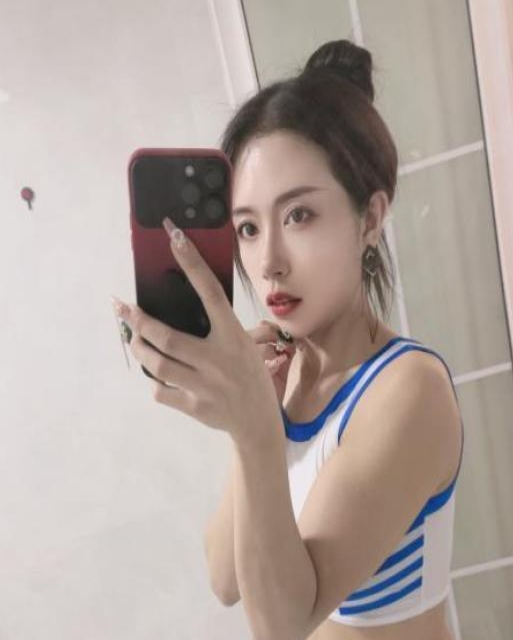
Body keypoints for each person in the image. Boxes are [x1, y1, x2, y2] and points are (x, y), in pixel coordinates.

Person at [204, 39, 464, 640]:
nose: (268, 261)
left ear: (369, 218)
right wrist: (253, 418)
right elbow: (224, 578)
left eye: (298, 215)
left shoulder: (408, 389)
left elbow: (283, 624)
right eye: (248, 227)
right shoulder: (286, 375)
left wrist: (254, 429)